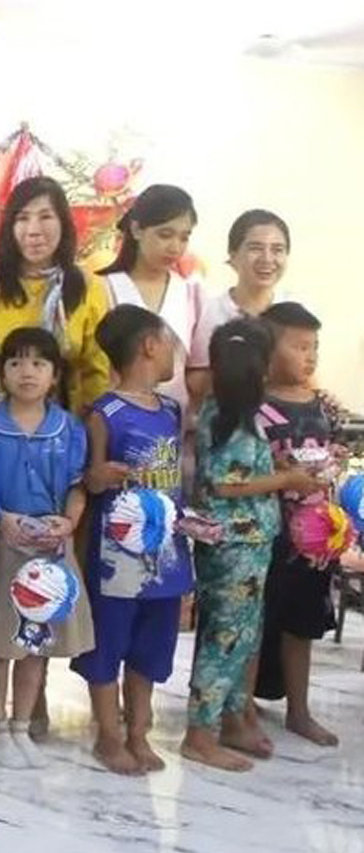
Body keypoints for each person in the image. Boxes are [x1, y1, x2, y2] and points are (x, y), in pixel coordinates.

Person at [182, 319, 323, 771]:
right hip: (234, 545)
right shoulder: (224, 415)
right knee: (224, 638)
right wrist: (287, 477)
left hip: (251, 541)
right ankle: (198, 734)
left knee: (244, 635)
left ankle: (234, 719)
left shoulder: (235, 412)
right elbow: (225, 483)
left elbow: (242, 467)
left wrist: (274, 461)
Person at [70, 305, 192, 775]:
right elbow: (90, 480)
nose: (172, 354)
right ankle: (108, 734)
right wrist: (99, 476)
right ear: (148, 345)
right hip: (116, 560)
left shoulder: (172, 410)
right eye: (168, 342)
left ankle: (139, 731)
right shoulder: (105, 413)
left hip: (166, 553)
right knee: (108, 644)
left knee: (153, 645)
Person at [0, 328, 92, 770]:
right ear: (1, 373)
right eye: (16, 362)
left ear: (55, 375)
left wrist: (69, 523)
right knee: (3, 640)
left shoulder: (69, 428)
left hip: (51, 548)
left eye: (39, 363)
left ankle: (22, 725)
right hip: (5, 544)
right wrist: (1, 518)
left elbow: (78, 488)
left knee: (37, 640)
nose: (27, 372)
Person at [0, 176, 112, 415]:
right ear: (10, 227)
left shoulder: (87, 286)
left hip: (61, 433)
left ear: (63, 223)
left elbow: (97, 373)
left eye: (45, 217)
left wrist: (92, 434)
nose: (33, 231)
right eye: (22, 218)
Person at [252, 301, 342, 748]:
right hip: (264, 536)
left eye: (315, 348)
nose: (310, 356)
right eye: (300, 346)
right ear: (267, 350)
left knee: (302, 625)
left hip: (314, 542)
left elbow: (339, 451)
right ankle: (240, 705)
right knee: (255, 621)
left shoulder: (323, 404)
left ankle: (299, 710)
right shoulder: (252, 406)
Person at [96, 184, 205, 417]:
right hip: (114, 424)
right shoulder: (101, 288)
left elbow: (196, 370)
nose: (175, 247)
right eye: (165, 234)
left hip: (175, 426)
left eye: (184, 237)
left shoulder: (191, 293)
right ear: (136, 230)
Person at [185, 210, 292, 400]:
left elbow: (307, 376)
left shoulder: (292, 310)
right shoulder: (210, 310)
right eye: (255, 248)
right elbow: (196, 378)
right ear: (233, 254)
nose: (267, 259)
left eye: (277, 250)